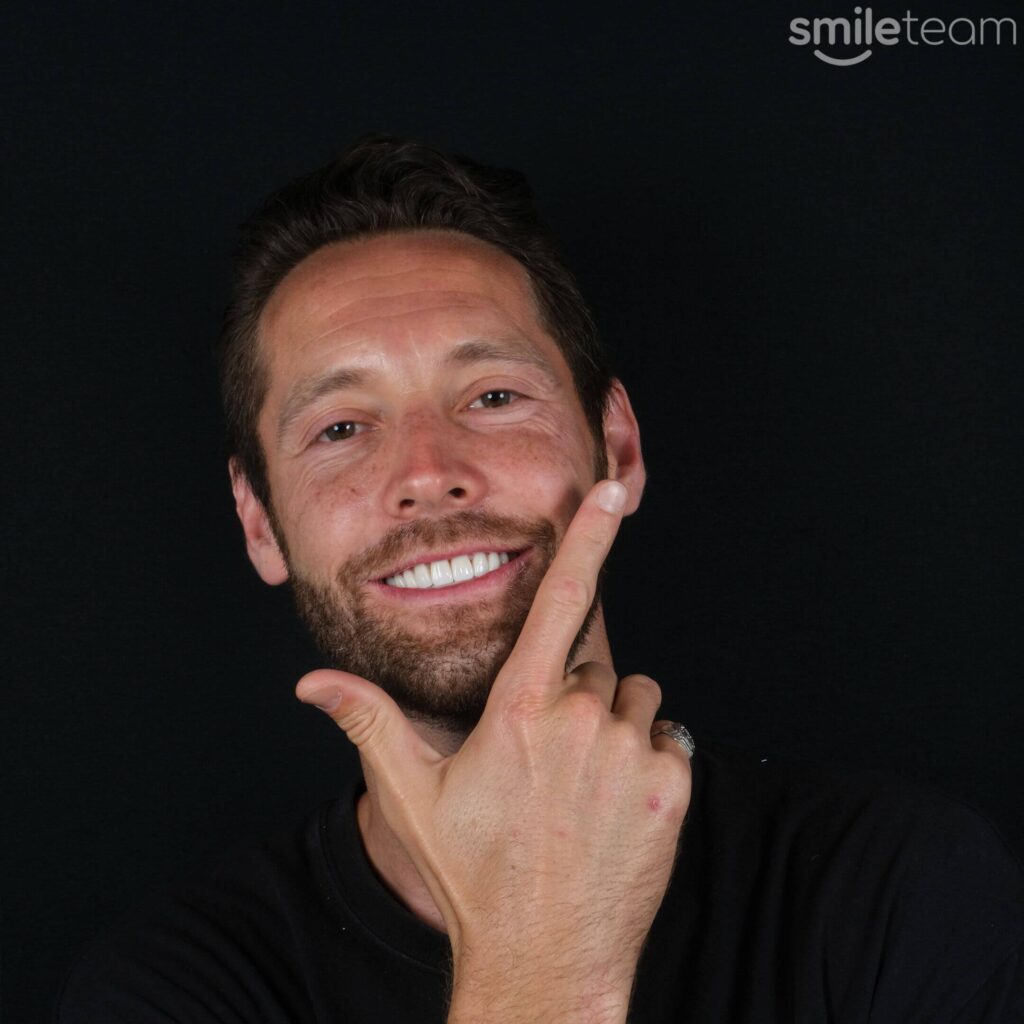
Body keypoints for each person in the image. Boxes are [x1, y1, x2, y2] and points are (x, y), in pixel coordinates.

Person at [57, 136, 1023, 1023]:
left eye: (493, 396)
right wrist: (542, 959)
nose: (427, 471)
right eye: (342, 428)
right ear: (261, 524)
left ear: (618, 448)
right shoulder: (172, 992)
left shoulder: (900, 887)